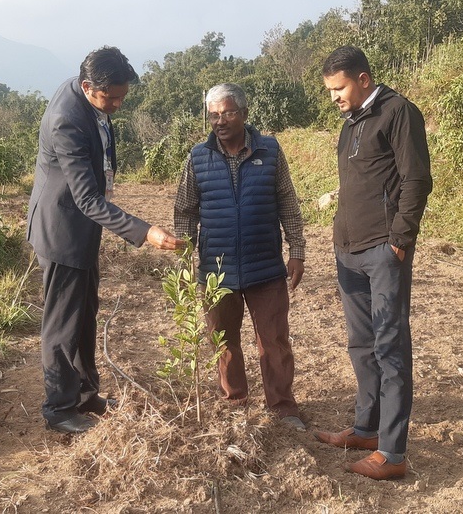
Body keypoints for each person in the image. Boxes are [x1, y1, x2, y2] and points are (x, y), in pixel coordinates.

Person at [27, 46, 185, 434]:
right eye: (109, 97)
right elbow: (85, 199)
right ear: (86, 86)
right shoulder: (67, 118)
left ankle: (86, 394)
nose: (116, 104)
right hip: (62, 230)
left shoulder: (90, 101)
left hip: (83, 231)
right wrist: (145, 231)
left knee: (85, 314)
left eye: (121, 97)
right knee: (62, 324)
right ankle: (59, 409)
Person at [314, 46, 432, 480]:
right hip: (348, 251)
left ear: (363, 79)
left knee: (391, 348)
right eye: (329, 90)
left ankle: (393, 454)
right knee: (361, 346)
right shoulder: (350, 123)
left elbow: (416, 178)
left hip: (384, 250)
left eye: (338, 88)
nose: (334, 97)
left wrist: (400, 240)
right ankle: (366, 429)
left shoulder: (398, 112)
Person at [173, 82, 307, 431]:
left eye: (227, 112)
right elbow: (186, 211)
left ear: (245, 114)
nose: (219, 121)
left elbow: (288, 204)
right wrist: (187, 258)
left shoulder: (271, 152)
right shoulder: (197, 157)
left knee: (274, 341)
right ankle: (235, 403)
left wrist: (297, 251)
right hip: (217, 271)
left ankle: (283, 408)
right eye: (214, 114)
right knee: (224, 340)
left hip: (265, 268)